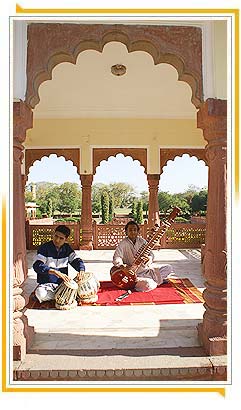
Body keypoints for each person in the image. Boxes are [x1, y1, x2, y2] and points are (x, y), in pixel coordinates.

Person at [112, 220, 174, 292]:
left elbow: (151, 254)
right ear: (126, 232)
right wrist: (123, 266)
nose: (133, 232)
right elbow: (116, 258)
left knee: (169, 268)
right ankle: (157, 281)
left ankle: (153, 281)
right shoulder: (123, 243)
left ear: (138, 231)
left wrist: (149, 258)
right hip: (133, 274)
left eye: (135, 230)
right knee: (148, 285)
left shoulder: (142, 241)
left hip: (146, 271)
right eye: (130, 230)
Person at [33, 225, 85, 303]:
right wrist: (54, 272)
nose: (57, 240)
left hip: (62, 284)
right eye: (56, 236)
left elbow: (77, 260)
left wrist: (81, 270)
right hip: (46, 285)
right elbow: (37, 266)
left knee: (82, 288)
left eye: (61, 238)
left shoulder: (67, 249)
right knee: (40, 293)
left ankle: (60, 296)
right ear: (53, 234)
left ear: (66, 239)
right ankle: (62, 296)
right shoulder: (44, 248)